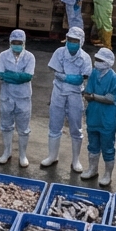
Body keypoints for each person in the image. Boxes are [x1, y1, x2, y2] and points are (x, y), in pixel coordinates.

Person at [42, 27, 95, 171]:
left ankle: (76, 160)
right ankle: (52, 156)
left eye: (75, 41)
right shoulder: (59, 52)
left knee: (76, 127)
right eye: (70, 40)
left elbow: (82, 78)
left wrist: (66, 77)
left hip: (75, 94)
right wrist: (71, 78)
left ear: (81, 41)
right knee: (54, 124)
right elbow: (56, 71)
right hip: (58, 92)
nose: (72, 43)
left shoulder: (85, 58)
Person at [80, 47, 116, 184]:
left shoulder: (115, 79)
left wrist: (94, 96)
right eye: (97, 59)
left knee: (108, 146)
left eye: (101, 60)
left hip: (108, 118)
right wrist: (96, 96)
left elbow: (111, 98)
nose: (97, 62)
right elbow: (88, 93)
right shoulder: (94, 74)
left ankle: (108, 174)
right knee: (93, 144)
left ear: (109, 62)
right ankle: (92, 169)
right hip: (93, 115)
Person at [0, 29, 36, 167]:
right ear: (10, 42)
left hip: (23, 97)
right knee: (6, 126)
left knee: (23, 128)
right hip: (6, 96)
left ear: (24, 43)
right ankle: (7, 152)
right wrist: (18, 77)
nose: (17, 45)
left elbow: (28, 76)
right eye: (14, 42)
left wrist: (9, 75)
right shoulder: (3, 55)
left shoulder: (30, 57)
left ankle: (22, 155)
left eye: (19, 42)